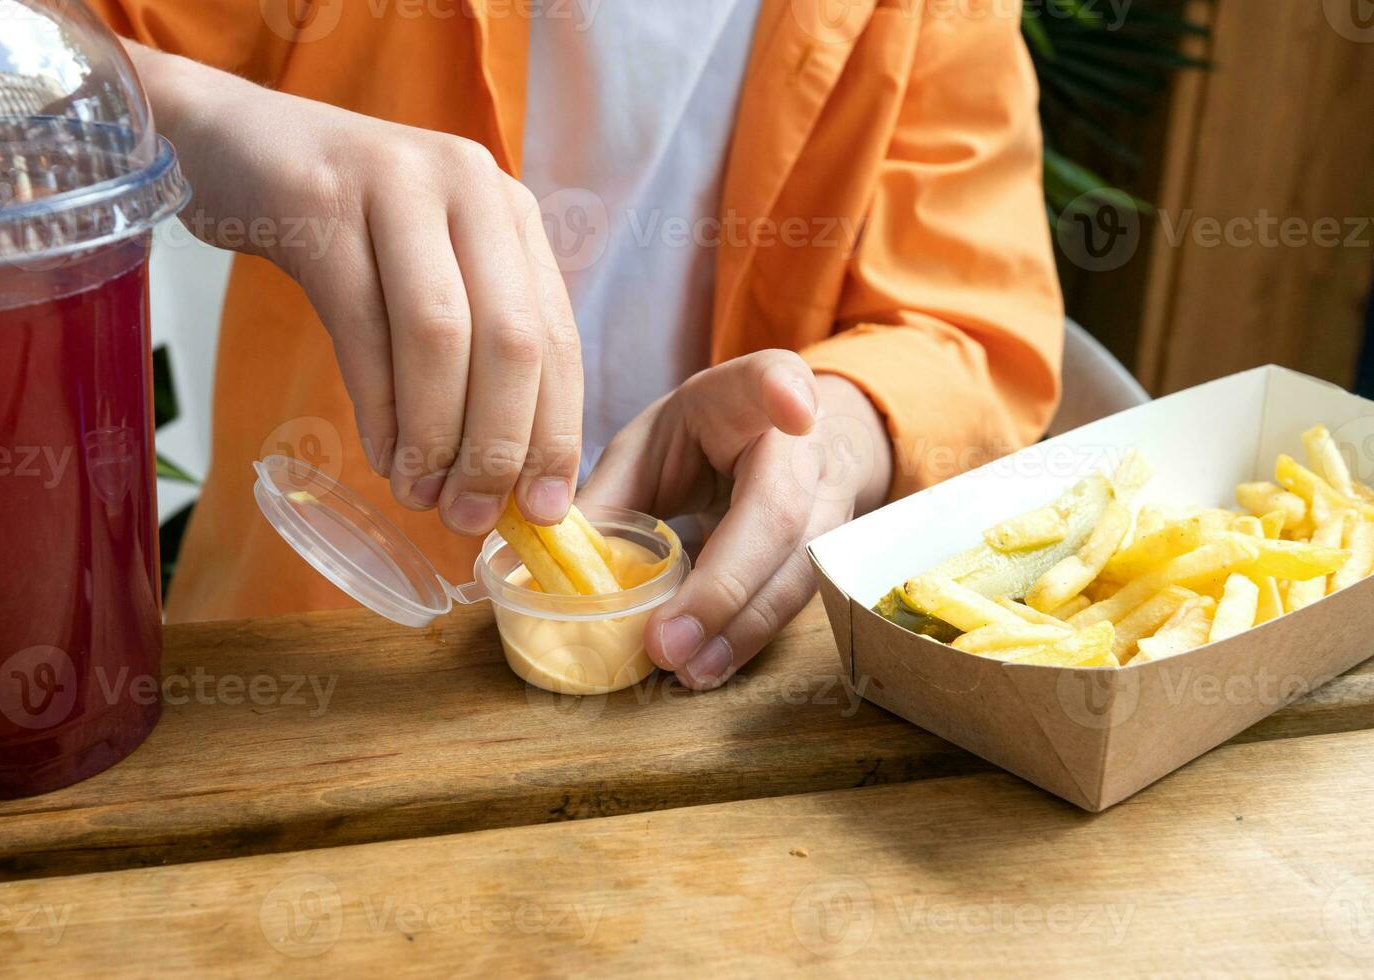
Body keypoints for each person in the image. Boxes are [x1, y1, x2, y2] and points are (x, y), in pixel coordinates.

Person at [90, 0, 1063, 690]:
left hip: (722, 699)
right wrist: (218, 123)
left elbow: (975, 324)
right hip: (319, 660)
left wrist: (838, 429)